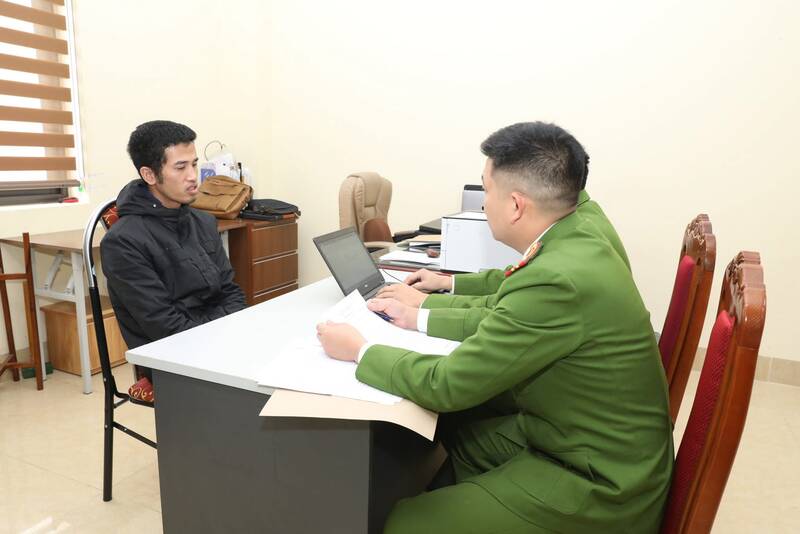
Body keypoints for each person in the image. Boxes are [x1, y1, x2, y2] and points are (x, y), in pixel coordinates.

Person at [317, 122, 673, 533]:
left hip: (600, 481)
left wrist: (360, 350)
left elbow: (447, 384)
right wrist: (433, 300)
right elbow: (511, 291)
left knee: (407, 522)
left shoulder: (556, 280)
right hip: (588, 437)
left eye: (486, 190)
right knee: (460, 429)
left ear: (516, 205)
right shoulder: (580, 225)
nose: (483, 203)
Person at [101, 120, 246, 402]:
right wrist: (224, 333)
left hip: (218, 342)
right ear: (149, 174)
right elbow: (165, 326)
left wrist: (232, 334)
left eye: (194, 164)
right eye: (180, 167)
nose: (193, 176)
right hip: (171, 362)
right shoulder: (124, 242)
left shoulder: (203, 222)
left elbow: (231, 291)